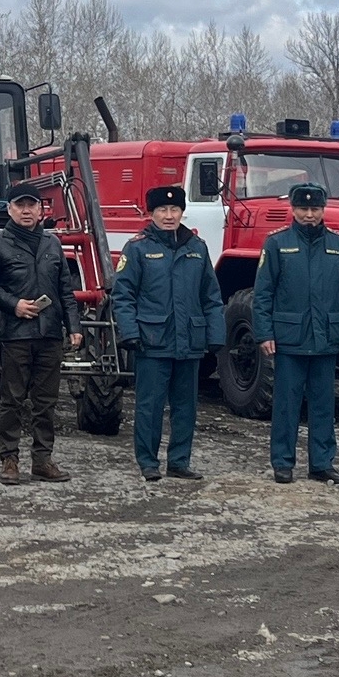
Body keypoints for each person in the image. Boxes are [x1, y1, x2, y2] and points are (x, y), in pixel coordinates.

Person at [111, 186, 222, 482]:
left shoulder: (197, 247)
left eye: (174, 210)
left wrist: (216, 335)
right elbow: (122, 296)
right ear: (152, 213)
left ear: (182, 212)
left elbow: (211, 296)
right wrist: (130, 333)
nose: (169, 215)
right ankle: (148, 462)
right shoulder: (137, 248)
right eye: (162, 210)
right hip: (152, 340)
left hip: (190, 341)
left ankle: (179, 461)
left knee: (186, 407)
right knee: (150, 406)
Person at [253, 183, 339, 484]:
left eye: (315, 209)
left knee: (324, 405)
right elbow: (263, 294)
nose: (310, 214)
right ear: (294, 209)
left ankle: (322, 464)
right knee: (286, 405)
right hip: (289, 339)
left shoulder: (338, 246)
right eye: (304, 209)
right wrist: (264, 334)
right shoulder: (276, 244)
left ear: (323, 210)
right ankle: (283, 462)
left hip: (326, 339)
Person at [0, 188, 78, 484]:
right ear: (9, 210)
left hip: (49, 333)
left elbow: (65, 289)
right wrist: (14, 305)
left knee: (46, 400)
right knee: (12, 399)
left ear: (41, 210)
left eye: (32, 206)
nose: (26, 211)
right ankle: (9, 460)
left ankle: (42, 459)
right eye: (20, 205)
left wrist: (73, 327)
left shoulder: (53, 244)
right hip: (15, 334)